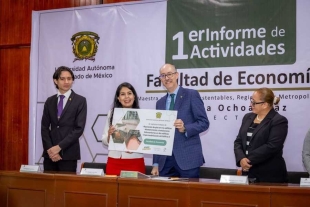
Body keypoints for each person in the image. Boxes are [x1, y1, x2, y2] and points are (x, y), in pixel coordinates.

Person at [151, 64, 209, 178]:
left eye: (169, 74)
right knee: (167, 195)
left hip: (187, 159)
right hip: (165, 162)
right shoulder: (160, 103)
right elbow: (158, 135)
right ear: (161, 79)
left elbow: (204, 122)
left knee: (190, 195)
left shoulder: (191, 95)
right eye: (163, 75)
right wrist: (156, 163)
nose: (167, 78)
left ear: (177, 75)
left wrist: (185, 128)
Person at [234, 87, 288, 183]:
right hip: (248, 172)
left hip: (269, 175)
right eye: (251, 101)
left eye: (254, 102)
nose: (251, 104)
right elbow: (238, 141)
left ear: (265, 105)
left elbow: (272, 146)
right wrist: (241, 158)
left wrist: (248, 160)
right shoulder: (247, 117)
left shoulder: (279, 120)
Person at [41, 66, 87, 172]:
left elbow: (78, 129)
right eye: (62, 79)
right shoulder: (50, 101)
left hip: (68, 154)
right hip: (50, 155)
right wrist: (51, 150)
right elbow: (44, 127)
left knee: (66, 187)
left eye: (69, 78)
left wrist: (59, 147)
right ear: (55, 81)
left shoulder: (80, 101)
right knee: (48, 187)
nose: (66, 82)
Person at [102, 82, 145, 176]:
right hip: (114, 161)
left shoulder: (143, 115)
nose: (126, 97)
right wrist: (109, 135)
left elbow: (146, 141)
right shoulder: (111, 114)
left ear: (134, 96)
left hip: (135, 161)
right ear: (118, 98)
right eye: (122, 94)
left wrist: (134, 145)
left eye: (129, 93)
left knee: (135, 190)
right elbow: (104, 141)